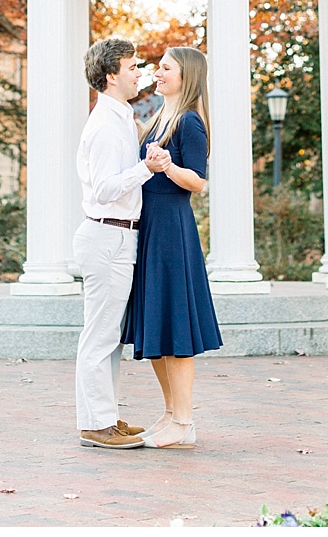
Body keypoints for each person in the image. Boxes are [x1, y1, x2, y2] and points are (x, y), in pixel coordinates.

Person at [121, 45, 223, 448]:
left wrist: (168, 167)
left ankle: (184, 422)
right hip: (151, 229)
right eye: (158, 68)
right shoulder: (157, 117)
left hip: (172, 231)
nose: (157, 73)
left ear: (187, 76)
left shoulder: (191, 122)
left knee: (176, 325)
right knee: (158, 325)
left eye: (166, 68)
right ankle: (169, 415)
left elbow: (198, 181)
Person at [73, 36, 156, 450]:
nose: (139, 71)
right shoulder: (105, 126)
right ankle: (94, 424)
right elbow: (105, 189)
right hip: (107, 233)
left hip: (121, 234)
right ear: (110, 77)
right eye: (131, 67)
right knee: (100, 335)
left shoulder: (122, 116)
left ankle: (105, 416)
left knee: (111, 336)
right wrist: (146, 169)